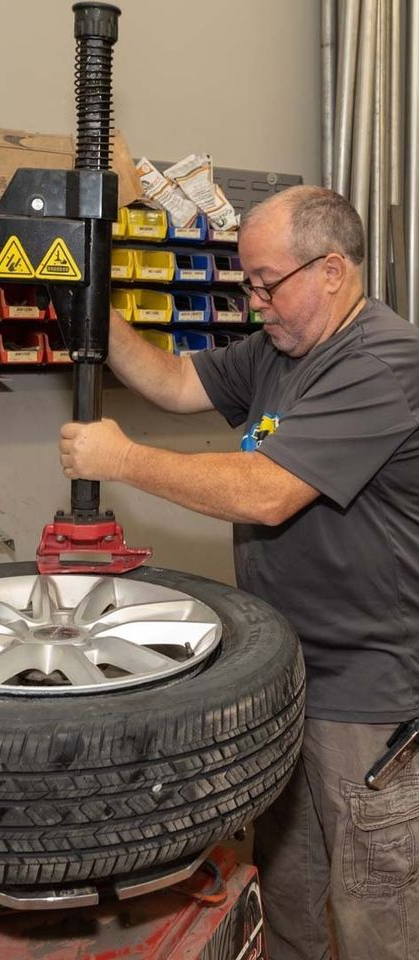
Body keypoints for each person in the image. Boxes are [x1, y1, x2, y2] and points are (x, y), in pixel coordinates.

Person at [59, 185, 419, 960]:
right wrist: (80, 292)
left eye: (266, 282)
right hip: (288, 679)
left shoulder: (380, 362)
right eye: (244, 284)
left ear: (331, 270)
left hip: (369, 703)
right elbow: (171, 381)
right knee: (289, 902)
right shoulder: (282, 349)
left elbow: (266, 494)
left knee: (375, 921)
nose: (255, 303)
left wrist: (121, 459)